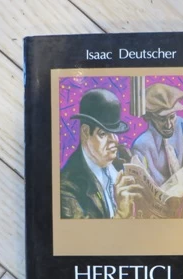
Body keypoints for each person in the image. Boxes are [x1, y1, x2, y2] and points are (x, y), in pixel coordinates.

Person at [61, 89, 142, 219]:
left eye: (114, 132)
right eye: (103, 134)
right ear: (85, 132)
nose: (114, 140)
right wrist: (121, 214)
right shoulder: (67, 187)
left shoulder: (125, 158)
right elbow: (80, 232)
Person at [131, 83, 183, 187]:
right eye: (162, 119)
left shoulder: (182, 125)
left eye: (172, 117)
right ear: (150, 118)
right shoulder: (141, 146)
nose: (169, 125)